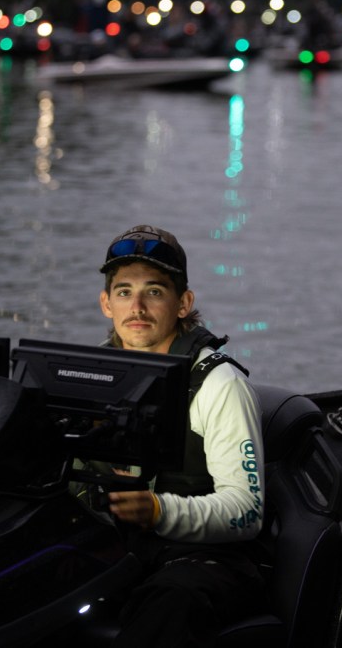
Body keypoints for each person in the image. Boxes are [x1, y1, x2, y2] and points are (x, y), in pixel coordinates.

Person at [89, 224, 266, 647]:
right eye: (124, 291)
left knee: (169, 600)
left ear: (183, 303)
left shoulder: (220, 384)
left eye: (154, 291)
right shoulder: (88, 374)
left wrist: (158, 510)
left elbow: (247, 511)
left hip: (206, 559)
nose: (137, 307)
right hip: (114, 546)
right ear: (106, 303)